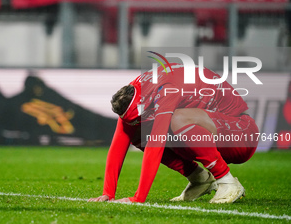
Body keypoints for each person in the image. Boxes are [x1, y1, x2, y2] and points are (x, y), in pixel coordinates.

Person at [88, 61, 259, 204]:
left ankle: (226, 180)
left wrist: (138, 198)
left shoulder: (165, 90)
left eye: (137, 118)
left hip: (242, 135)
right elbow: (118, 144)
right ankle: (200, 179)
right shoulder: (136, 93)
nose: (136, 122)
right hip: (217, 130)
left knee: (177, 119)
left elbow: (155, 148)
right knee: (138, 134)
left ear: (142, 106)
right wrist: (108, 193)